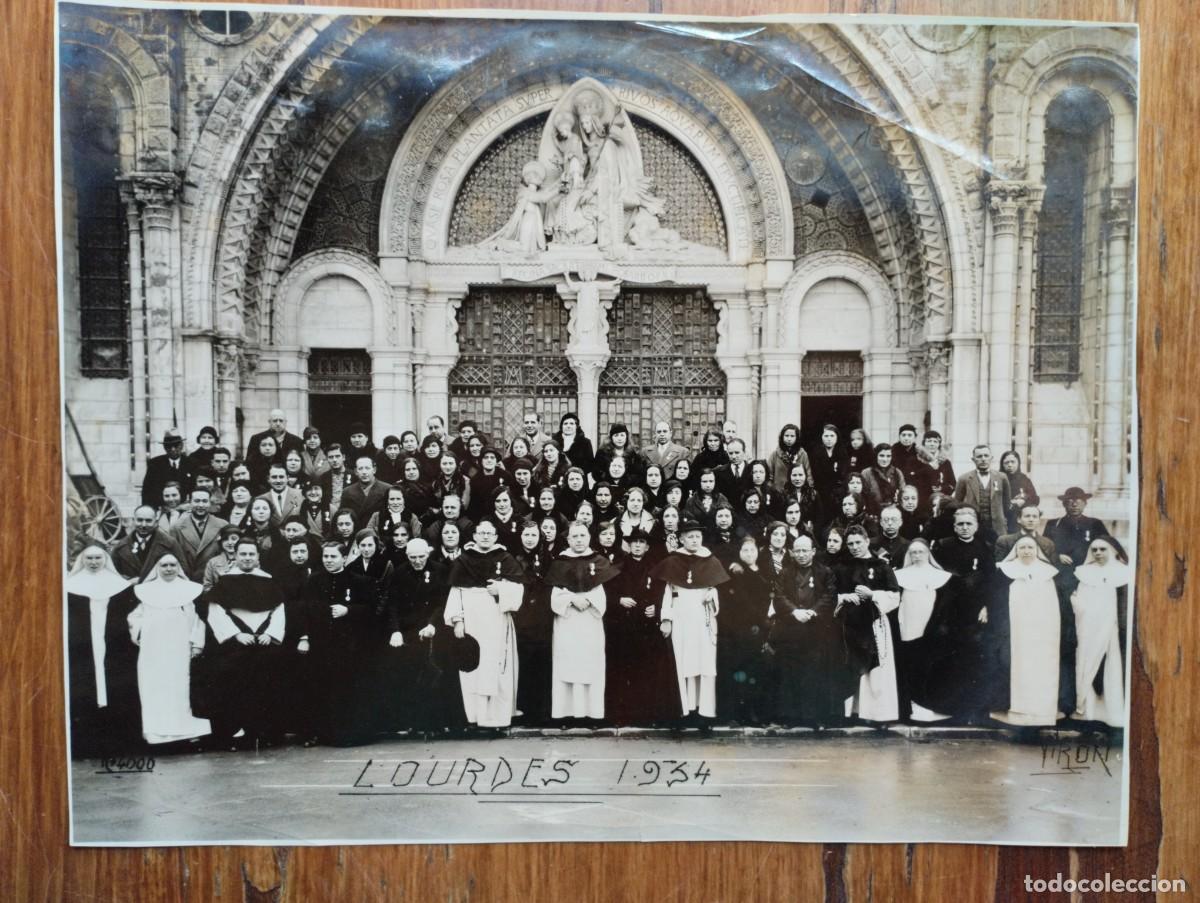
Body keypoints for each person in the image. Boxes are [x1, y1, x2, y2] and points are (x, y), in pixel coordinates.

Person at [444, 520, 525, 729]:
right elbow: (456, 593)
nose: (486, 537)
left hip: (497, 621)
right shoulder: (464, 560)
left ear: (496, 537)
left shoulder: (506, 559)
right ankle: (475, 716)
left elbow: (518, 589)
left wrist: (501, 590)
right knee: (474, 668)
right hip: (472, 623)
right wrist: (458, 620)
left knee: (498, 667)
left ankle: (499, 717)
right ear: (475, 536)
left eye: (490, 533)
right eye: (482, 533)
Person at [205, 541, 287, 746]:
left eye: (252, 554)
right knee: (234, 686)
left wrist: (270, 633)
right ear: (236, 555)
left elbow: (279, 610)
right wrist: (236, 634)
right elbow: (216, 612)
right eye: (243, 554)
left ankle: (267, 733)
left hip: (264, 642)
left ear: (258, 556)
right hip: (236, 645)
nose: (247, 557)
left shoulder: (269, 581)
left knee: (267, 684)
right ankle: (236, 733)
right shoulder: (225, 581)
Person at [300, 541, 382, 746]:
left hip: (350, 646)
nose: (328, 561)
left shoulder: (360, 581)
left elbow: (372, 610)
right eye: (325, 557)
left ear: (344, 558)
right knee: (321, 689)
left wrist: (349, 610)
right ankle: (320, 734)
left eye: (333, 557)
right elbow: (306, 611)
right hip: (322, 644)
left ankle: (349, 735)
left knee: (347, 690)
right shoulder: (313, 580)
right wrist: (306, 637)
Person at [128, 554, 210, 746]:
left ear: (178, 567)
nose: (168, 569)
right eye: (164, 565)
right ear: (157, 568)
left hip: (179, 647)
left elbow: (195, 620)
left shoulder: (187, 591)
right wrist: (141, 631)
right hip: (153, 649)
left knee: (179, 687)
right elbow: (135, 617)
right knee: (153, 687)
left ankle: (183, 731)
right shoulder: (146, 591)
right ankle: (156, 733)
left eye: (173, 565)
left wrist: (196, 643)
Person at [652, 519, 728, 722]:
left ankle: (704, 713)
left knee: (704, 663)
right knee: (682, 663)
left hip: (702, 618)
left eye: (697, 536)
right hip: (681, 617)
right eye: (690, 537)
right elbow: (667, 592)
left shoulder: (711, 560)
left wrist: (713, 594)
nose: (694, 540)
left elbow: (716, 588)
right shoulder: (672, 561)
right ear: (682, 539)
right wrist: (666, 618)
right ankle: (682, 712)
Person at [65, 545, 139, 757]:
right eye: (89, 558)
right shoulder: (71, 585)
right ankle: (86, 742)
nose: (94, 562)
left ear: (105, 559)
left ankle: (117, 742)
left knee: (113, 681)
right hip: (83, 642)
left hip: (112, 640)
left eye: (98, 558)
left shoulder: (119, 585)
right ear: (82, 560)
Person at [382, 539, 459, 734]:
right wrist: (395, 630)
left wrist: (432, 624)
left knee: (436, 676)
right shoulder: (399, 572)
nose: (417, 561)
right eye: (412, 557)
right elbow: (393, 604)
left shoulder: (440, 570)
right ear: (407, 556)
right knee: (409, 677)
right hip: (408, 631)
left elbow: (442, 602)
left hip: (434, 629)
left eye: (421, 557)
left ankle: (438, 723)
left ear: (428, 554)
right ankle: (411, 722)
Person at [546, 521, 619, 721]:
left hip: (590, 620)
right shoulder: (560, 562)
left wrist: (588, 599)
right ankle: (565, 715)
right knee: (566, 664)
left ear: (589, 538)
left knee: (591, 664)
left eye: (582, 536)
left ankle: (592, 714)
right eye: (574, 536)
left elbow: (601, 593)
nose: (579, 540)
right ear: (568, 539)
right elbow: (556, 595)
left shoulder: (599, 560)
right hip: (567, 620)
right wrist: (572, 599)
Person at [604, 527, 677, 726]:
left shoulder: (656, 568)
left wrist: (657, 607)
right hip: (624, 627)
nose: (638, 545)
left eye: (642, 542)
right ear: (628, 544)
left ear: (647, 547)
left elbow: (664, 594)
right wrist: (619, 600)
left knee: (647, 671)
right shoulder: (617, 567)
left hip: (647, 627)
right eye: (634, 542)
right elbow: (607, 594)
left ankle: (646, 715)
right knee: (622, 670)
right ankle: (621, 715)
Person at [989, 536, 1063, 726]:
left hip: (1039, 630)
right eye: (1022, 547)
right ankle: (1012, 709)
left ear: (1037, 550)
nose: (1027, 551)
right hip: (1013, 628)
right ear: (1016, 550)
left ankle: (1040, 710)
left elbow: (1052, 604)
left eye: (1030, 547)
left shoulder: (1047, 572)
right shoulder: (1006, 570)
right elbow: (996, 599)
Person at [773, 533, 844, 726]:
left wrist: (813, 612)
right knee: (790, 674)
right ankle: (790, 717)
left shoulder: (825, 572)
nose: (802, 554)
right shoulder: (784, 573)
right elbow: (778, 596)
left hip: (816, 630)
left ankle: (815, 718)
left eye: (805, 550)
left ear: (813, 552)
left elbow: (830, 596)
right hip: (791, 629)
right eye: (798, 551)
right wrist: (794, 611)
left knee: (815, 673)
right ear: (792, 552)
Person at [834, 526, 902, 724]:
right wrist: (844, 597)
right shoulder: (841, 567)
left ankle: (876, 715)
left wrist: (873, 595)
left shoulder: (881, 566)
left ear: (866, 541)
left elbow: (895, 596)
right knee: (849, 667)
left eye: (858, 542)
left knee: (875, 670)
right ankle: (851, 713)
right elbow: (830, 593)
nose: (854, 547)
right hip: (849, 624)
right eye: (850, 544)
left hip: (874, 623)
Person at [891, 540, 957, 723]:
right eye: (913, 552)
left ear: (928, 553)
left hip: (932, 629)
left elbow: (946, 606)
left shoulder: (941, 577)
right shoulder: (900, 575)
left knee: (927, 668)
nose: (917, 555)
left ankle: (928, 708)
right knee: (910, 666)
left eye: (920, 552)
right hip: (908, 627)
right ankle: (911, 710)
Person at [1070, 536, 1130, 726]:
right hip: (1089, 627)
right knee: (1087, 663)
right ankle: (1087, 708)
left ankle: (1112, 710)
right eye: (1094, 550)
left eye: (1102, 549)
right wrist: (1078, 604)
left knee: (1113, 665)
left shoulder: (1123, 573)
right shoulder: (1084, 572)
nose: (1098, 553)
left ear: (1112, 551)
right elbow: (1079, 600)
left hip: (1113, 627)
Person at [513, 519, 555, 726]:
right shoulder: (514, 558)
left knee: (543, 663)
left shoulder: (547, 558)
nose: (530, 539)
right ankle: (525, 710)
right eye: (526, 535)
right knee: (525, 663)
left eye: (534, 535)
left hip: (543, 617)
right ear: (521, 537)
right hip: (523, 617)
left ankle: (542, 711)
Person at [951, 445, 1011, 543]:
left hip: (997, 527)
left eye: (986, 456)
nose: (983, 459)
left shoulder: (1001, 477)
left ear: (991, 458)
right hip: (974, 528)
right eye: (979, 456)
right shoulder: (964, 479)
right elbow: (957, 504)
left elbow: (1007, 504)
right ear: (973, 459)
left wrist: (1003, 521)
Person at [167, 487, 229, 581]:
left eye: (204, 501)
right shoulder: (176, 527)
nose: (201, 505)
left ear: (209, 503)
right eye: (196, 501)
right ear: (190, 503)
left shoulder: (222, 525)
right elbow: (172, 557)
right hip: (187, 580)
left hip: (214, 580)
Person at [111, 504, 178, 580]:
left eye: (148, 521)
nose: (143, 525)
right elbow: (112, 575)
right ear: (133, 520)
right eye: (139, 520)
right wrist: (128, 581)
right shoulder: (120, 547)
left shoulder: (170, 544)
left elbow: (182, 572)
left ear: (156, 522)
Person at [142, 428, 195, 509]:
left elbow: (194, 488)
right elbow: (147, 491)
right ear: (164, 447)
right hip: (161, 508)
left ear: (181, 445)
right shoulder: (155, 464)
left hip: (186, 509)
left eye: (176, 445)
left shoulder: (191, 463)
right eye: (168, 446)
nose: (173, 449)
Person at [809, 425, 849, 527]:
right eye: (826, 436)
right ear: (822, 437)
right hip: (821, 492)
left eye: (832, 436)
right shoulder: (816, 452)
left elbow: (843, 473)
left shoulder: (842, 452)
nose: (829, 439)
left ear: (837, 437)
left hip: (837, 493)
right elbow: (816, 473)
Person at [341, 454, 393, 529]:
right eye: (360, 469)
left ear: (374, 470)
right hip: (357, 533)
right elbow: (343, 516)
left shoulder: (387, 489)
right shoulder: (347, 492)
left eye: (367, 468)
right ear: (356, 471)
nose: (364, 472)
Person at [912, 431, 956, 516]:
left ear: (939, 444)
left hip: (940, 502)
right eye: (929, 441)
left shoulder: (945, 462)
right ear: (924, 443)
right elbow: (913, 480)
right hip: (921, 502)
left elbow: (953, 483)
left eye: (935, 441)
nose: (932, 444)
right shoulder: (915, 460)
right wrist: (929, 467)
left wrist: (942, 489)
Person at [860, 444, 906, 518]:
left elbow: (903, 492)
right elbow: (863, 496)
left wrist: (899, 497)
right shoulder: (866, 473)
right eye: (881, 456)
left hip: (894, 512)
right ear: (876, 456)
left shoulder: (897, 473)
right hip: (873, 513)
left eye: (888, 456)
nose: (885, 459)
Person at [999, 450, 1040, 533]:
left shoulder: (1024, 479)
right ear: (1002, 464)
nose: (1010, 465)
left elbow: (1035, 499)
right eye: (1006, 463)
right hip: (1001, 519)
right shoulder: (997, 479)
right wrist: (1010, 502)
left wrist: (1024, 498)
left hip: (1019, 522)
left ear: (1018, 463)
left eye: (1013, 462)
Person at [767, 424, 811, 493]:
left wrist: (808, 492)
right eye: (786, 436)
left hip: (797, 494)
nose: (789, 439)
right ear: (782, 437)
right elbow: (769, 476)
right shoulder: (774, 455)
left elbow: (809, 475)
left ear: (797, 438)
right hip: (778, 494)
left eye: (792, 436)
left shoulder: (803, 454)